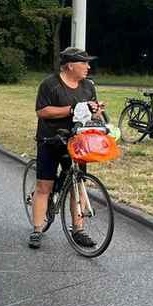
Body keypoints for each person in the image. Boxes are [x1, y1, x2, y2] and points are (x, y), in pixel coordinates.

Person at [28, 47, 107, 250]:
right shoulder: (50, 84)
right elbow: (42, 111)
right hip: (51, 140)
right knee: (44, 186)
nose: (88, 67)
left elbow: (93, 114)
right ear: (70, 65)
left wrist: (97, 112)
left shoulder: (88, 86)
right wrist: (71, 109)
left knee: (77, 184)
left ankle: (78, 229)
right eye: (84, 63)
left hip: (78, 142)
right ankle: (37, 229)